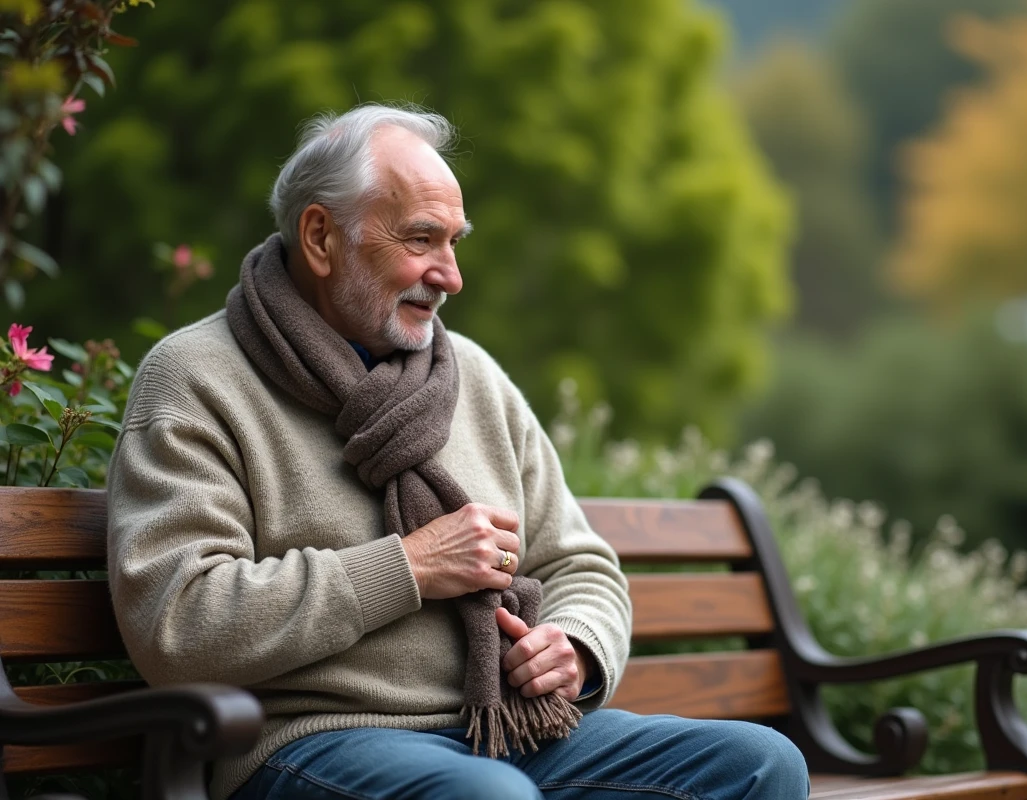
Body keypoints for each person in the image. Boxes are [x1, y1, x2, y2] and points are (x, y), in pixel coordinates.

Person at [107, 103, 809, 800]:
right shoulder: (196, 379)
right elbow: (179, 622)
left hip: (509, 730)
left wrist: (575, 644)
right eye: (421, 240)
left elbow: (579, 564)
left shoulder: (472, 374)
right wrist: (410, 566)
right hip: (312, 741)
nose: (450, 275)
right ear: (321, 238)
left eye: (454, 242)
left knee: (762, 764)